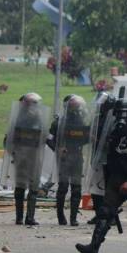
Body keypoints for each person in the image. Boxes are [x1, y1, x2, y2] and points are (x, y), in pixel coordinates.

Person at [75, 99, 127, 253]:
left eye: (125, 113)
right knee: (104, 212)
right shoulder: (113, 133)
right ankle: (93, 248)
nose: (121, 117)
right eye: (119, 113)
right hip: (116, 179)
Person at [0, 92, 49, 225]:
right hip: (23, 158)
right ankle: (21, 217)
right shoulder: (18, 121)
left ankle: (28, 217)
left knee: (32, 187)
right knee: (22, 187)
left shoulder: (39, 120)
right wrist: (15, 154)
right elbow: (8, 141)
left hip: (33, 157)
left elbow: (44, 138)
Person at [50, 95, 92, 226]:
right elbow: (50, 139)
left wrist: (90, 136)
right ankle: (61, 217)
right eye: (74, 105)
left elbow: (84, 138)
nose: (76, 108)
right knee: (63, 187)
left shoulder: (81, 121)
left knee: (76, 188)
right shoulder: (59, 122)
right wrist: (58, 148)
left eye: (77, 106)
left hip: (77, 156)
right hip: (64, 157)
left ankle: (73, 218)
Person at [86, 92, 116, 224]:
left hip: (109, 158)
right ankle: (99, 213)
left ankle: (111, 215)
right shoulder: (97, 118)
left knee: (109, 190)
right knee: (95, 188)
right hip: (96, 157)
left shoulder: (115, 120)